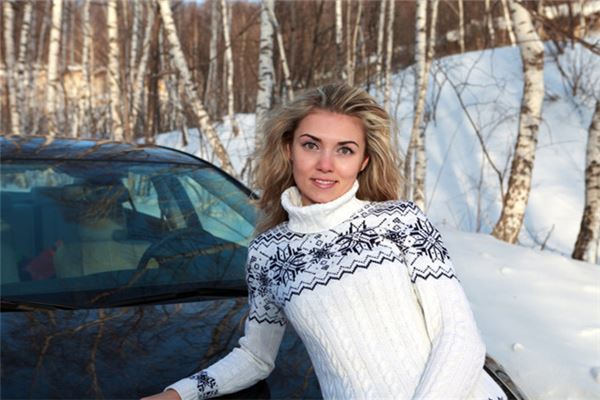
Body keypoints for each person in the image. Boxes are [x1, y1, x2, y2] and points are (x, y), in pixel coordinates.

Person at [143, 83, 506, 400]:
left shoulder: (400, 221)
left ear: (364, 160)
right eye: (311, 145)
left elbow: (459, 337)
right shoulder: (269, 254)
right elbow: (255, 357)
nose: (326, 164)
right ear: (288, 148)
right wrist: (179, 393)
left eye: (344, 150)